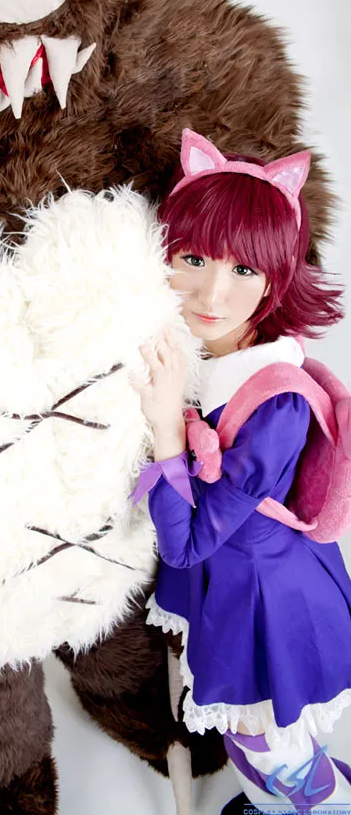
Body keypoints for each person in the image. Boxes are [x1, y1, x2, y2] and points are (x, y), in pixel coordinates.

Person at [130, 129, 351, 815]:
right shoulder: (218, 355)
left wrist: (167, 430)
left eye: (244, 270)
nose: (213, 292)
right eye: (193, 258)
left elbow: (188, 544)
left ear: (276, 279)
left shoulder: (274, 401)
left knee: (270, 753)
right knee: (271, 747)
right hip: (242, 579)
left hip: (261, 598)